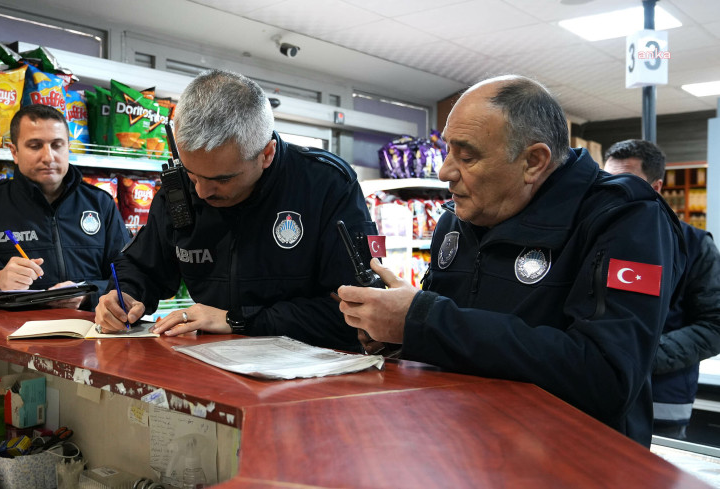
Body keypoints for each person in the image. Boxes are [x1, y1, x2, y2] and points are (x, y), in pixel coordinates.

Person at [337, 75, 685, 447]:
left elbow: (606, 376)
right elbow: (461, 340)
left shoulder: (627, 219)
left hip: (575, 463)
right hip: (463, 446)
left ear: (534, 161)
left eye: (467, 156)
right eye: (448, 151)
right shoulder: (457, 218)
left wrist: (423, 320)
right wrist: (397, 333)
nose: (444, 172)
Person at [95, 69, 377, 352]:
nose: (202, 192)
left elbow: (360, 312)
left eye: (223, 179)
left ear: (266, 154)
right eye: (193, 174)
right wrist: (124, 295)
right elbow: (143, 265)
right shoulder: (179, 189)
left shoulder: (328, 185)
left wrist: (238, 320)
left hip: (314, 375)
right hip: (210, 366)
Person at [0, 104, 129, 309]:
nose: (48, 157)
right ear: (14, 151)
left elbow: (130, 280)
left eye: (57, 145)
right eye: (35, 145)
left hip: (89, 335)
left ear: (68, 147)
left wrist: (87, 294)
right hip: (6, 337)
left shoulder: (101, 204)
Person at [604, 139, 720, 440]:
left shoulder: (695, 245)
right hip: (597, 393)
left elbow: (715, 325)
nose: (612, 191)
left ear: (655, 187)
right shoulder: (595, 238)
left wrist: (640, 357)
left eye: (625, 182)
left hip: (662, 403)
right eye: (606, 181)